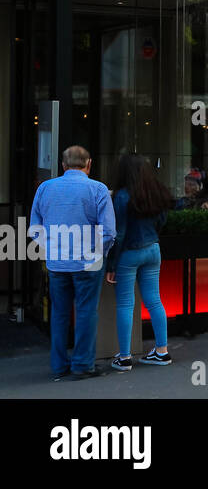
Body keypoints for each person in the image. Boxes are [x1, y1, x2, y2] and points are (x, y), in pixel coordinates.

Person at [29, 145, 116, 381]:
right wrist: (100, 253)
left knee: (59, 313)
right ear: (89, 164)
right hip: (88, 262)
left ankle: (58, 365)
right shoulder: (97, 189)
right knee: (86, 312)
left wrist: (51, 249)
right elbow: (109, 232)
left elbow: (34, 228)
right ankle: (82, 365)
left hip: (57, 263)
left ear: (63, 165)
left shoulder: (45, 188)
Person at [105, 154, 173, 371]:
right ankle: (161, 352)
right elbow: (162, 221)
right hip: (153, 249)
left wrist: (112, 264)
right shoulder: (156, 191)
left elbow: (120, 233)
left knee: (126, 303)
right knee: (154, 300)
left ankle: (124, 357)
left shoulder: (122, 196)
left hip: (129, 253)